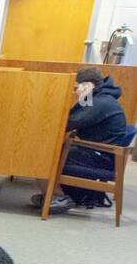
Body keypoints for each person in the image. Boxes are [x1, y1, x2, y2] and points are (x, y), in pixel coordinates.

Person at [33, 68, 130, 213]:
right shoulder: (98, 98)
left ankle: (57, 197)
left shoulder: (99, 103)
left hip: (100, 158)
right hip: (101, 154)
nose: (75, 92)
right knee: (52, 150)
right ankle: (57, 194)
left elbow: (69, 123)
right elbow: (73, 117)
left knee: (42, 156)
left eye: (76, 87)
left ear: (88, 85)